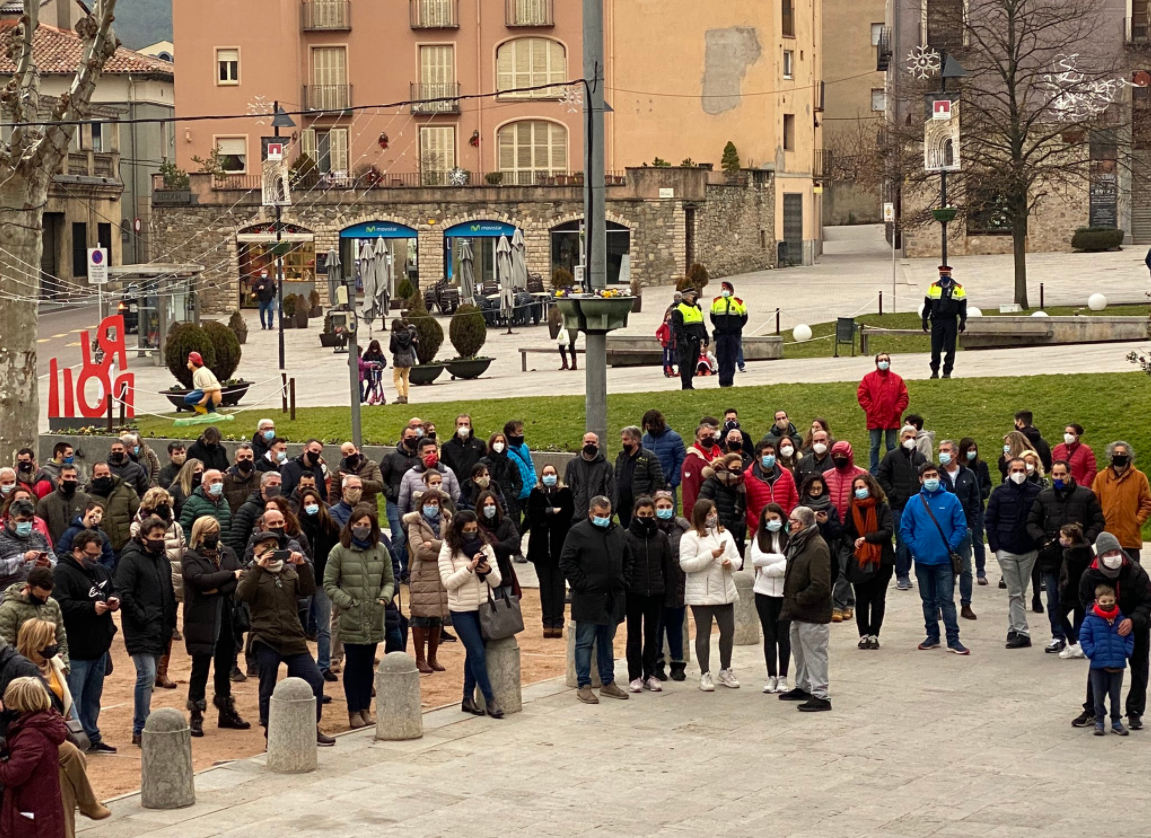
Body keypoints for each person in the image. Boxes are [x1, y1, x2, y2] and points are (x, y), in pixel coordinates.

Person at [236, 530, 334, 745]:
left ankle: (311, 726)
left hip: (293, 637)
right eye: (265, 546)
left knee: (315, 680)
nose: (270, 550)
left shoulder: (288, 572)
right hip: (265, 637)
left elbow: (307, 589)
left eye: (274, 545)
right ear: (255, 550)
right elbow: (242, 594)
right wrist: (259, 568)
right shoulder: (250, 572)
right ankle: (270, 731)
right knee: (268, 686)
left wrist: (301, 566)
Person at [324, 505, 394, 729]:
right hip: (351, 616)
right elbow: (329, 584)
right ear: (351, 526)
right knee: (353, 665)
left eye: (367, 525)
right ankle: (353, 709)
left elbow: (389, 580)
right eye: (358, 524)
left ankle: (365, 707)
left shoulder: (380, 550)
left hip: (374, 616)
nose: (362, 528)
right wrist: (348, 602)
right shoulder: (339, 551)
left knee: (367, 665)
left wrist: (383, 598)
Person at [1073, 533, 1151, 731]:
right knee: (1097, 668)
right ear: (1101, 555)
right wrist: (1100, 615)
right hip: (1103, 628)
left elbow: (1147, 601)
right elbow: (1084, 601)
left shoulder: (1135, 571)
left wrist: (1132, 620)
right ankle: (1092, 710)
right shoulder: (1090, 574)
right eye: (1108, 553)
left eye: (1116, 551)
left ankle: (1134, 712)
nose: (1114, 556)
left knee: (1140, 667)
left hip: (1134, 626)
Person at [180, 516, 249, 737]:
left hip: (227, 618)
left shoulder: (227, 552)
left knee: (224, 666)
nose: (213, 535)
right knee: (199, 668)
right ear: (198, 534)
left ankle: (226, 711)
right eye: (209, 531)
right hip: (202, 619)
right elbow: (200, 581)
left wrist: (218, 587)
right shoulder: (190, 557)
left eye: (216, 530)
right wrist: (229, 576)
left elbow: (242, 578)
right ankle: (196, 714)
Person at [1027, 460, 1105, 653]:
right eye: (1055, 475)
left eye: (1062, 474)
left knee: (1081, 600)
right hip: (1052, 558)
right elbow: (1032, 522)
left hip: (1079, 559)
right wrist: (1044, 541)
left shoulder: (1085, 495)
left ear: (1070, 474)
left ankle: (1079, 638)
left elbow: (1098, 521)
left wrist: (1085, 541)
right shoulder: (1043, 497)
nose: (1059, 478)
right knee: (1054, 600)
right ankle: (1058, 636)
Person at [560, 496, 632, 704]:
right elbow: (566, 562)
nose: (603, 519)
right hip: (588, 599)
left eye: (607, 515)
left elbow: (628, 560)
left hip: (612, 598)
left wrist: (623, 581)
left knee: (606, 642)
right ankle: (584, 685)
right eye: (599, 515)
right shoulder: (578, 532)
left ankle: (608, 682)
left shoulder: (618, 532)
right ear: (590, 513)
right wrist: (581, 584)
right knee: (584, 642)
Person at [52, 529, 118, 753]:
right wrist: (90, 608)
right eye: (91, 555)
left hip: (99, 646)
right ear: (77, 551)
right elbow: (60, 605)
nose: (95, 559)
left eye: (98, 555)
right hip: (76, 648)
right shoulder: (62, 572)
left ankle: (92, 736)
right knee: (75, 700)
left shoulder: (99, 570)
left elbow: (114, 587)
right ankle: (76, 741)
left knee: (93, 697)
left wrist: (114, 599)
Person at [115, 515, 177, 744]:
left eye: (162, 536)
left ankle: (144, 723)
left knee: (150, 676)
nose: (160, 540)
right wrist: (141, 616)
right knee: (147, 675)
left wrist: (170, 621)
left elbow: (169, 592)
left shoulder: (163, 560)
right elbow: (124, 592)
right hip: (140, 627)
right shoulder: (130, 560)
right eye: (155, 536)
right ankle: (140, 726)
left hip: (161, 627)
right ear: (143, 538)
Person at [438, 511, 505, 717]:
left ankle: (467, 698)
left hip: (483, 608)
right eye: (467, 530)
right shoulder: (448, 549)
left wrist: (485, 570)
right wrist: (469, 568)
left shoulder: (485, 547)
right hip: (461, 611)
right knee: (477, 652)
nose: (471, 533)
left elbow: (497, 581)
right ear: (458, 530)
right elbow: (448, 582)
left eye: (474, 529)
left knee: (473, 653)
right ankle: (489, 698)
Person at [899, 463, 970, 654]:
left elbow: (960, 527)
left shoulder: (951, 499)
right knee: (927, 600)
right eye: (927, 476)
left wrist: (950, 547)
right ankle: (932, 635)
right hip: (922, 561)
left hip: (944, 561)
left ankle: (953, 639)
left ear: (939, 477)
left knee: (947, 600)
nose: (931, 479)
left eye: (934, 475)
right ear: (921, 479)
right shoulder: (914, 501)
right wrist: (916, 548)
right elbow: (905, 529)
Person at [679, 498, 742, 691]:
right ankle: (704, 673)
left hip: (724, 591)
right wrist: (710, 556)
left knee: (728, 632)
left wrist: (730, 563)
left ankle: (725, 669)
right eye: (709, 514)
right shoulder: (690, 537)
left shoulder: (726, 534)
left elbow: (738, 559)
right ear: (700, 516)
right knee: (703, 634)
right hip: (702, 594)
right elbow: (686, 564)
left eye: (714, 513)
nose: (713, 517)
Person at [778, 506, 834, 711]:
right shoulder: (798, 543)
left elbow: (820, 584)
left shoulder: (817, 546)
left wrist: (799, 598)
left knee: (815, 653)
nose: (788, 523)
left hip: (812, 612)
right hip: (797, 610)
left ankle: (821, 694)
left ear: (800, 523)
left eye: (791, 520)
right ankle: (803, 685)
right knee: (800, 652)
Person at [0, 676, 69, 838]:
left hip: (31, 815)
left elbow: (12, 775)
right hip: (40, 808)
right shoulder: (41, 723)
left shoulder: (31, 736)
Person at [985, 457, 1043, 648]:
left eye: (1022, 470)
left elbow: (1042, 519)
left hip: (1028, 550)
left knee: (1018, 591)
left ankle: (1013, 628)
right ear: (1008, 472)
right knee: (1015, 591)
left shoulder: (1037, 492)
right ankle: (1023, 632)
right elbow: (990, 519)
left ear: (1027, 472)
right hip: (1006, 549)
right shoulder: (999, 493)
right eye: (1014, 470)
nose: (1018, 473)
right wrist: (996, 547)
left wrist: (1038, 544)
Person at [622, 497, 672, 692]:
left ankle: (650, 673)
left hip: (656, 593)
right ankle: (634, 675)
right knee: (634, 636)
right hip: (634, 593)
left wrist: (668, 592)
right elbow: (623, 565)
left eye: (649, 514)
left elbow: (668, 566)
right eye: (642, 514)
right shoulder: (626, 536)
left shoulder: (660, 537)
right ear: (636, 514)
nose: (646, 517)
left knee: (653, 636)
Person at [131, 487, 186, 658]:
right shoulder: (138, 524)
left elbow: (182, 547)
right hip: (149, 571)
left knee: (171, 600)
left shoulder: (175, 526)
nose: (163, 506)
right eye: (159, 503)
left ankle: (163, 669)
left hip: (172, 566)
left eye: (165, 502)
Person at [844, 474, 895, 649]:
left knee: (878, 598)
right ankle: (863, 633)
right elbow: (847, 533)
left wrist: (866, 538)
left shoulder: (882, 508)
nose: (859, 491)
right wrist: (855, 543)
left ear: (871, 487)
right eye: (856, 488)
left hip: (881, 560)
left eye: (862, 487)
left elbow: (888, 531)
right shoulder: (852, 509)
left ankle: (874, 633)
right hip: (861, 560)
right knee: (862, 598)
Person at [403, 491, 450, 672]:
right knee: (420, 616)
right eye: (428, 502)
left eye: (435, 502)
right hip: (422, 574)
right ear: (422, 505)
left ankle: (433, 658)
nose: (432, 506)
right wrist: (442, 550)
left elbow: (452, 544)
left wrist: (436, 545)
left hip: (442, 574)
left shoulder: (446, 521)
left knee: (437, 616)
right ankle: (420, 658)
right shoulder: (414, 523)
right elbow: (419, 550)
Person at [1080, 583, 1135, 736]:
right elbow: (1084, 637)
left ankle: (1116, 721)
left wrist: (1126, 651)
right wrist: (1092, 652)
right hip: (1098, 665)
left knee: (1115, 695)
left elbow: (1130, 636)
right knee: (1098, 694)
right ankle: (1099, 721)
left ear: (1115, 600)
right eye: (1104, 602)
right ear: (1097, 601)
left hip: (1117, 663)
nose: (1108, 604)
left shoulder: (1121, 619)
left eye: (1110, 601)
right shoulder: (1091, 619)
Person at [878, 425, 927, 592]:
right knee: (903, 541)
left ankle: (915, 571)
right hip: (899, 506)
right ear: (901, 438)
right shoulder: (892, 456)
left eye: (913, 437)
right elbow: (881, 476)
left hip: (917, 506)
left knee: (916, 540)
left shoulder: (920, 458)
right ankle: (902, 574)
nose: (910, 440)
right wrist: (893, 494)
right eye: (907, 437)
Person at [297, 487, 340, 679]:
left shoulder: (330, 526)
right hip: (302, 583)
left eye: (313, 503)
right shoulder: (297, 527)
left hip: (324, 581)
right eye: (306, 503)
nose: (311, 506)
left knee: (324, 627)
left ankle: (323, 665)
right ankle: (301, 665)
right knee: (301, 625)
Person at [527, 465, 574, 638]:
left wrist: (547, 516)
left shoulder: (565, 493)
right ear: (541, 476)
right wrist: (551, 511)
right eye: (546, 473)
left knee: (559, 585)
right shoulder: (535, 494)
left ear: (557, 475)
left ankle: (558, 622)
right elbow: (532, 514)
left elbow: (567, 514)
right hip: (540, 550)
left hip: (560, 548)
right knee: (545, 587)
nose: (549, 476)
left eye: (552, 473)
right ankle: (547, 622)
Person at [937, 439, 980, 620]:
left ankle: (966, 604)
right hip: (942, 531)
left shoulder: (968, 474)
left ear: (954, 453)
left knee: (966, 569)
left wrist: (970, 524)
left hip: (963, 529)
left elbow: (975, 501)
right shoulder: (936, 475)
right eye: (940, 450)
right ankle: (942, 604)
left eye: (946, 450)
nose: (942, 453)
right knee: (942, 569)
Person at [750, 503, 790, 694]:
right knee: (769, 635)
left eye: (775, 518)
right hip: (763, 592)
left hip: (784, 593)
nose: (772, 522)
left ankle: (783, 676)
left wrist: (769, 567)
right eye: (768, 520)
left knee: (783, 635)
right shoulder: (759, 537)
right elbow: (756, 559)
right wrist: (779, 559)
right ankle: (771, 676)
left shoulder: (790, 537)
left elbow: (789, 562)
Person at [825, 442, 866, 622]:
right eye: (836, 456)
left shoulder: (862, 475)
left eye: (843, 455)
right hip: (832, 527)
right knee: (838, 566)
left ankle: (838, 603)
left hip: (852, 528)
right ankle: (849, 601)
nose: (839, 459)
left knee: (843, 567)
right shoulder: (827, 476)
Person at [1092, 441, 1151, 564]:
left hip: (1130, 536)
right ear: (1111, 456)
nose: (1119, 455)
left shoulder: (1140, 477)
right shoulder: (1101, 477)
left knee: (1131, 574)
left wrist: (1137, 520)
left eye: (1122, 453)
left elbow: (1146, 503)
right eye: (1116, 453)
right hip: (1107, 533)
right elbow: (1094, 503)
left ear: (1129, 456)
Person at [652, 491, 690, 682]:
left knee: (676, 627)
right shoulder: (650, 528)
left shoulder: (683, 528)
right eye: (660, 507)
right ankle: (657, 664)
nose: (664, 510)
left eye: (668, 506)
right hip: (657, 586)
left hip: (678, 584)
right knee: (656, 628)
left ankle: (677, 664)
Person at [0, 567, 67, 671]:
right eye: (40, 597)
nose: (45, 601)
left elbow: (61, 637)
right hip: (22, 672)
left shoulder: (52, 604)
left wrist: (64, 666)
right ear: (28, 587)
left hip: (52, 669)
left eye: (47, 596)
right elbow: (6, 647)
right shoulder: (8, 609)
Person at [857, 352, 910, 475]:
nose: (883, 362)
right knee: (874, 446)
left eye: (886, 359)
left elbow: (904, 396)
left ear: (889, 362)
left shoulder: (897, 379)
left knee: (891, 446)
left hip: (892, 418)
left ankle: (892, 470)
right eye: (881, 360)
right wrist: (871, 409)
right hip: (874, 418)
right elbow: (862, 396)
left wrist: (897, 410)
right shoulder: (868, 379)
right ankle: (874, 472)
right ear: (876, 363)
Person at [380, 425, 423, 573]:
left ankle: (408, 569)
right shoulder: (391, 457)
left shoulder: (419, 458)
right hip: (395, 502)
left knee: (412, 537)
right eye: (409, 437)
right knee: (398, 536)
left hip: (413, 503)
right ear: (402, 438)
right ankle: (397, 569)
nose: (412, 440)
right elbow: (381, 478)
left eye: (415, 437)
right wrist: (390, 493)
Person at [614, 426, 666, 528]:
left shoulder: (649, 457)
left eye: (626, 439)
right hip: (622, 505)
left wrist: (649, 498)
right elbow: (616, 478)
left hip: (640, 505)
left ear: (636, 440)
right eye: (622, 439)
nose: (623, 442)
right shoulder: (620, 458)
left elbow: (658, 480)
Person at [0, 499, 56, 592]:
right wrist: (22, 559)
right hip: (8, 595)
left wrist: (48, 564)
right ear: (10, 519)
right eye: (22, 520)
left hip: (40, 593)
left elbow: (55, 562)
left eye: (30, 520)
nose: (26, 524)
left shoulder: (39, 537)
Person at [921, 265, 967, 379]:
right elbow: (927, 305)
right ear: (939, 275)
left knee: (950, 347)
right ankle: (935, 371)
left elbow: (962, 307)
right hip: (937, 321)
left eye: (946, 274)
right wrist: (924, 319)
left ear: (950, 274)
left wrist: (962, 321)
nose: (944, 276)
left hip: (950, 321)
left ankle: (947, 371)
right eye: (942, 274)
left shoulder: (958, 288)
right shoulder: (933, 287)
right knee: (935, 347)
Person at [698, 453, 748, 556]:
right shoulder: (711, 483)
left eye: (739, 467)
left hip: (736, 528)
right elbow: (702, 506)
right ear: (726, 467)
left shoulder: (740, 485)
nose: (737, 470)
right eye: (734, 467)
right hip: (716, 528)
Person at [958, 437, 992, 585]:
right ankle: (961, 569)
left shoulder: (981, 466)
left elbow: (987, 484)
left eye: (974, 449)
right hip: (960, 509)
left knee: (977, 540)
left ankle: (980, 571)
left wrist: (981, 493)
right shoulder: (958, 467)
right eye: (969, 450)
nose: (972, 452)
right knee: (960, 541)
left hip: (977, 509)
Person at [1057, 523, 1093, 660]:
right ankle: (1080, 643)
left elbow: (1071, 577)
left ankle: (1073, 643)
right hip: (1085, 590)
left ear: (1070, 539)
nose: (1061, 539)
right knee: (1080, 617)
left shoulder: (1072, 554)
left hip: (1072, 592)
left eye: (1063, 537)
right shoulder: (1086, 548)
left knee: (1060, 615)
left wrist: (1063, 588)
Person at [745, 440, 798, 528]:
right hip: (759, 529)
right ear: (758, 457)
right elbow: (745, 506)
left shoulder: (786, 474)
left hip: (783, 527)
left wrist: (785, 518)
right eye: (766, 454)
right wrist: (759, 524)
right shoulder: (747, 477)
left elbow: (794, 498)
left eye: (772, 453)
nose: (770, 456)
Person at [565, 433, 615, 523]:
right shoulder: (572, 464)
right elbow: (567, 490)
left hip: (598, 516)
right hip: (576, 515)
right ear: (582, 443)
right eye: (587, 442)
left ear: (598, 445)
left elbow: (611, 491)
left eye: (593, 442)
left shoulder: (606, 466)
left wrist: (610, 513)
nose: (590, 444)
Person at [36, 466, 90, 548]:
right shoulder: (45, 502)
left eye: (74, 477)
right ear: (59, 480)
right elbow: (41, 528)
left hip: (81, 549)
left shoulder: (86, 500)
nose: (71, 479)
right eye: (67, 476)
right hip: (56, 549)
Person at [642, 410, 685, 508]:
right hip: (649, 486)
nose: (650, 428)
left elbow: (681, 461)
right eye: (647, 426)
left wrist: (672, 482)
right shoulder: (644, 439)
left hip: (667, 486)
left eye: (652, 425)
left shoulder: (674, 438)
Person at [178, 470, 232, 547]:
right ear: (204, 485)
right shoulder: (192, 502)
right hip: (201, 551)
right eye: (214, 481)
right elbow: (184, 527)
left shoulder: (224, 502)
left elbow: (229, 526)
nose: (218, 484)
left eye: (220, 481)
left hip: (223, 550)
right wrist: (193, 546)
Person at [709, 281, 747, 387]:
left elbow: (744, 317)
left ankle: (729, 381)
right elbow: (713, 317)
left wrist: (736, 328)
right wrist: (719, 327)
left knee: (731, 358)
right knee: (721, 357)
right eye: (723, 289)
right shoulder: (716, 301)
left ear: (731, 291)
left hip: (733, 335)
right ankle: (722, 380)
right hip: (721, 335)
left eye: (726, 289)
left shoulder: (738, 302)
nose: (724, 291)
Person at [681, 423, 721, 519]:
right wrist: (692, 518)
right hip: (704, 513)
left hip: (720, 511)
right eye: (704, 436)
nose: (708, 438)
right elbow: (689, 492)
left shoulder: (720, 455)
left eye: (711, 435)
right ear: (697, 439)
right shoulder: (691, 461)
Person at [56, 503, 114, 570]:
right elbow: (62, 554)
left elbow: (109, 556)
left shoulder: (102, 535)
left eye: (101, 514)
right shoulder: (70, 533)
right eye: (97, 511)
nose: (99, 516)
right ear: (88, 511)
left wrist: (103, 572)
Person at [671, 287, 708, 390]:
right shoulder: (678, 310)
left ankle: (689, 383)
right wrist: (682, 340)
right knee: (685, 363)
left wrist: (705, 336)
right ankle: (686, 385)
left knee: (693, 363)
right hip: (686, 341)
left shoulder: (696, 308)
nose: (693, 297)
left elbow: (701, 324)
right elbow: (677, 328)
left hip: (696, 340)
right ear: (687, 296)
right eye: (692, 295)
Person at [504, 420, 536, 531]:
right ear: (511, 433)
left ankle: (521, 534)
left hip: (529, 491)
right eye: (519, 431)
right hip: (517, 494)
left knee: (532, 517)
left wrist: (533, 478)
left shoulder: (524, 447)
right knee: (515, 522)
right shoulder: (506, 451)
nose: (521, 434)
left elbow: (530, 464)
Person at [442, 414, 487, 486]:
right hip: (455, 484)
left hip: (474, 484)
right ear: (455, 427)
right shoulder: (447, 446)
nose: (463, 426)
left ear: (470, 427)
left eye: (466, 424)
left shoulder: (480, 444)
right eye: (460, 424)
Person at [222, 444, 260, 514]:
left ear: (253, 459)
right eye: (242, 457)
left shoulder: (261, 478)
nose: (246, 459)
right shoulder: (226, 481)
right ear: (236, 460)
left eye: (249, 457)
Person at [389, 319, 418, 405]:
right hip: (408, 356)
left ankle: (401, 396)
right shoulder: (409, 333)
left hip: (399, 357)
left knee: (396, 378)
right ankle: (406, 396)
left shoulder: (394, 336)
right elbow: (415, 335)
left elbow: (392, 348)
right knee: (405, 377)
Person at [656, 311, 675, 377]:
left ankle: (671, 368)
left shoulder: (674, 325)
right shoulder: (664, 325)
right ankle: (667, 370)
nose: (669, 317)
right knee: (667, 357)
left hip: (672, 343)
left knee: (671, 357)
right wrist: (659, 338)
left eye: (671, 316)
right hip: (666, 344)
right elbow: (658, 332)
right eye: (668, 316)